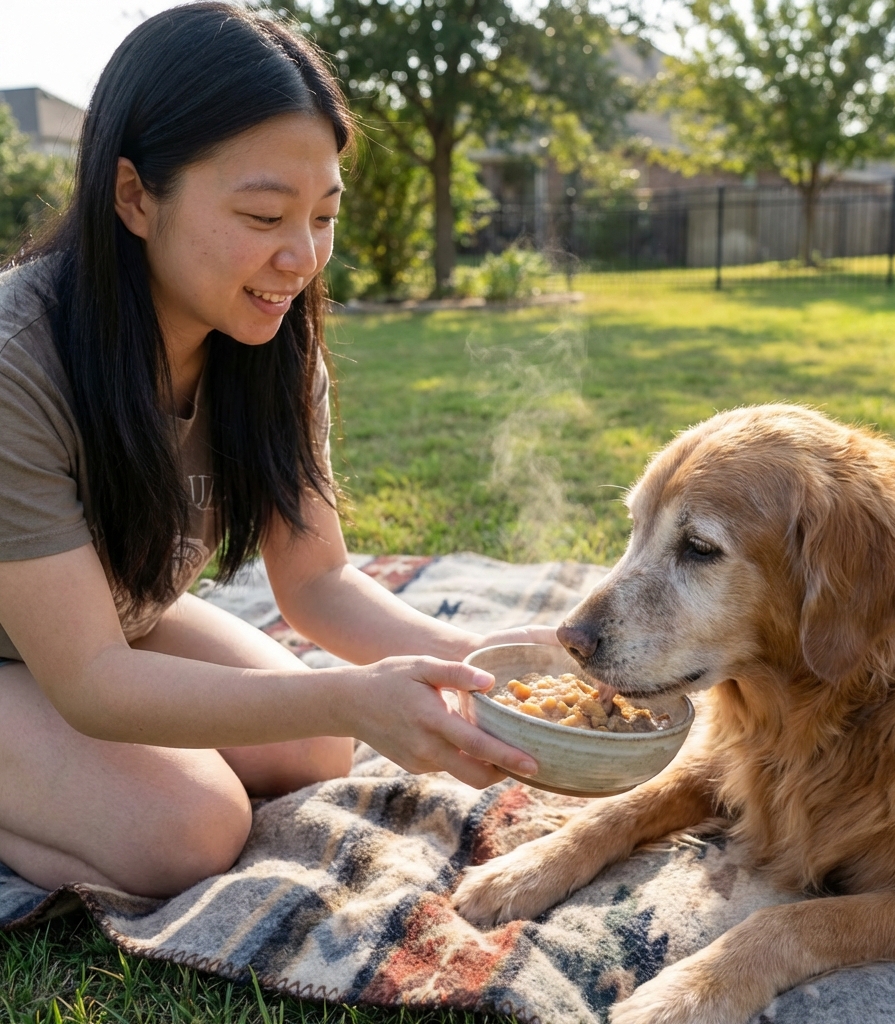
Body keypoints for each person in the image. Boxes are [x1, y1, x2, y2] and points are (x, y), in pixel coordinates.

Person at [0, 2, 548, 900]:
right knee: (187, 831)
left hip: (111, 622)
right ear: (136, 197)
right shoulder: (19, 363)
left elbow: (318, 581)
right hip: (56, 656)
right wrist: (345, 691)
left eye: (323, 217)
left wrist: (483, 665)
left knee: (312, 749)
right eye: (263, 215)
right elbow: (93, 681)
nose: (301, 257)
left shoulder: (268, 344)